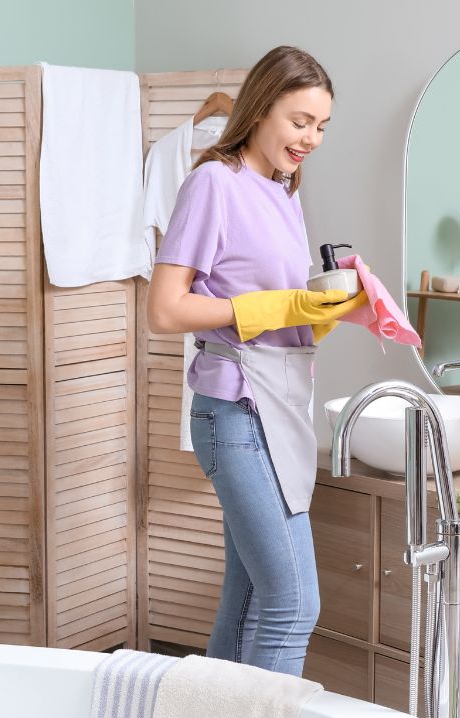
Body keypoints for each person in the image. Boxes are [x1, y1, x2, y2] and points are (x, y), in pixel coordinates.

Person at [146, 46, 368, 677]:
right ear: (262, 107)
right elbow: (165, 310)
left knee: (244, 602)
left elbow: (282, 315)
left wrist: (328, 309)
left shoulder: (284, 192)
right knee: (293, 603)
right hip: (236, 413)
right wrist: (271, 308)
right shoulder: (214, 182)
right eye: (300, 121)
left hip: (280, 404)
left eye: (322, 126)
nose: (312, 139)